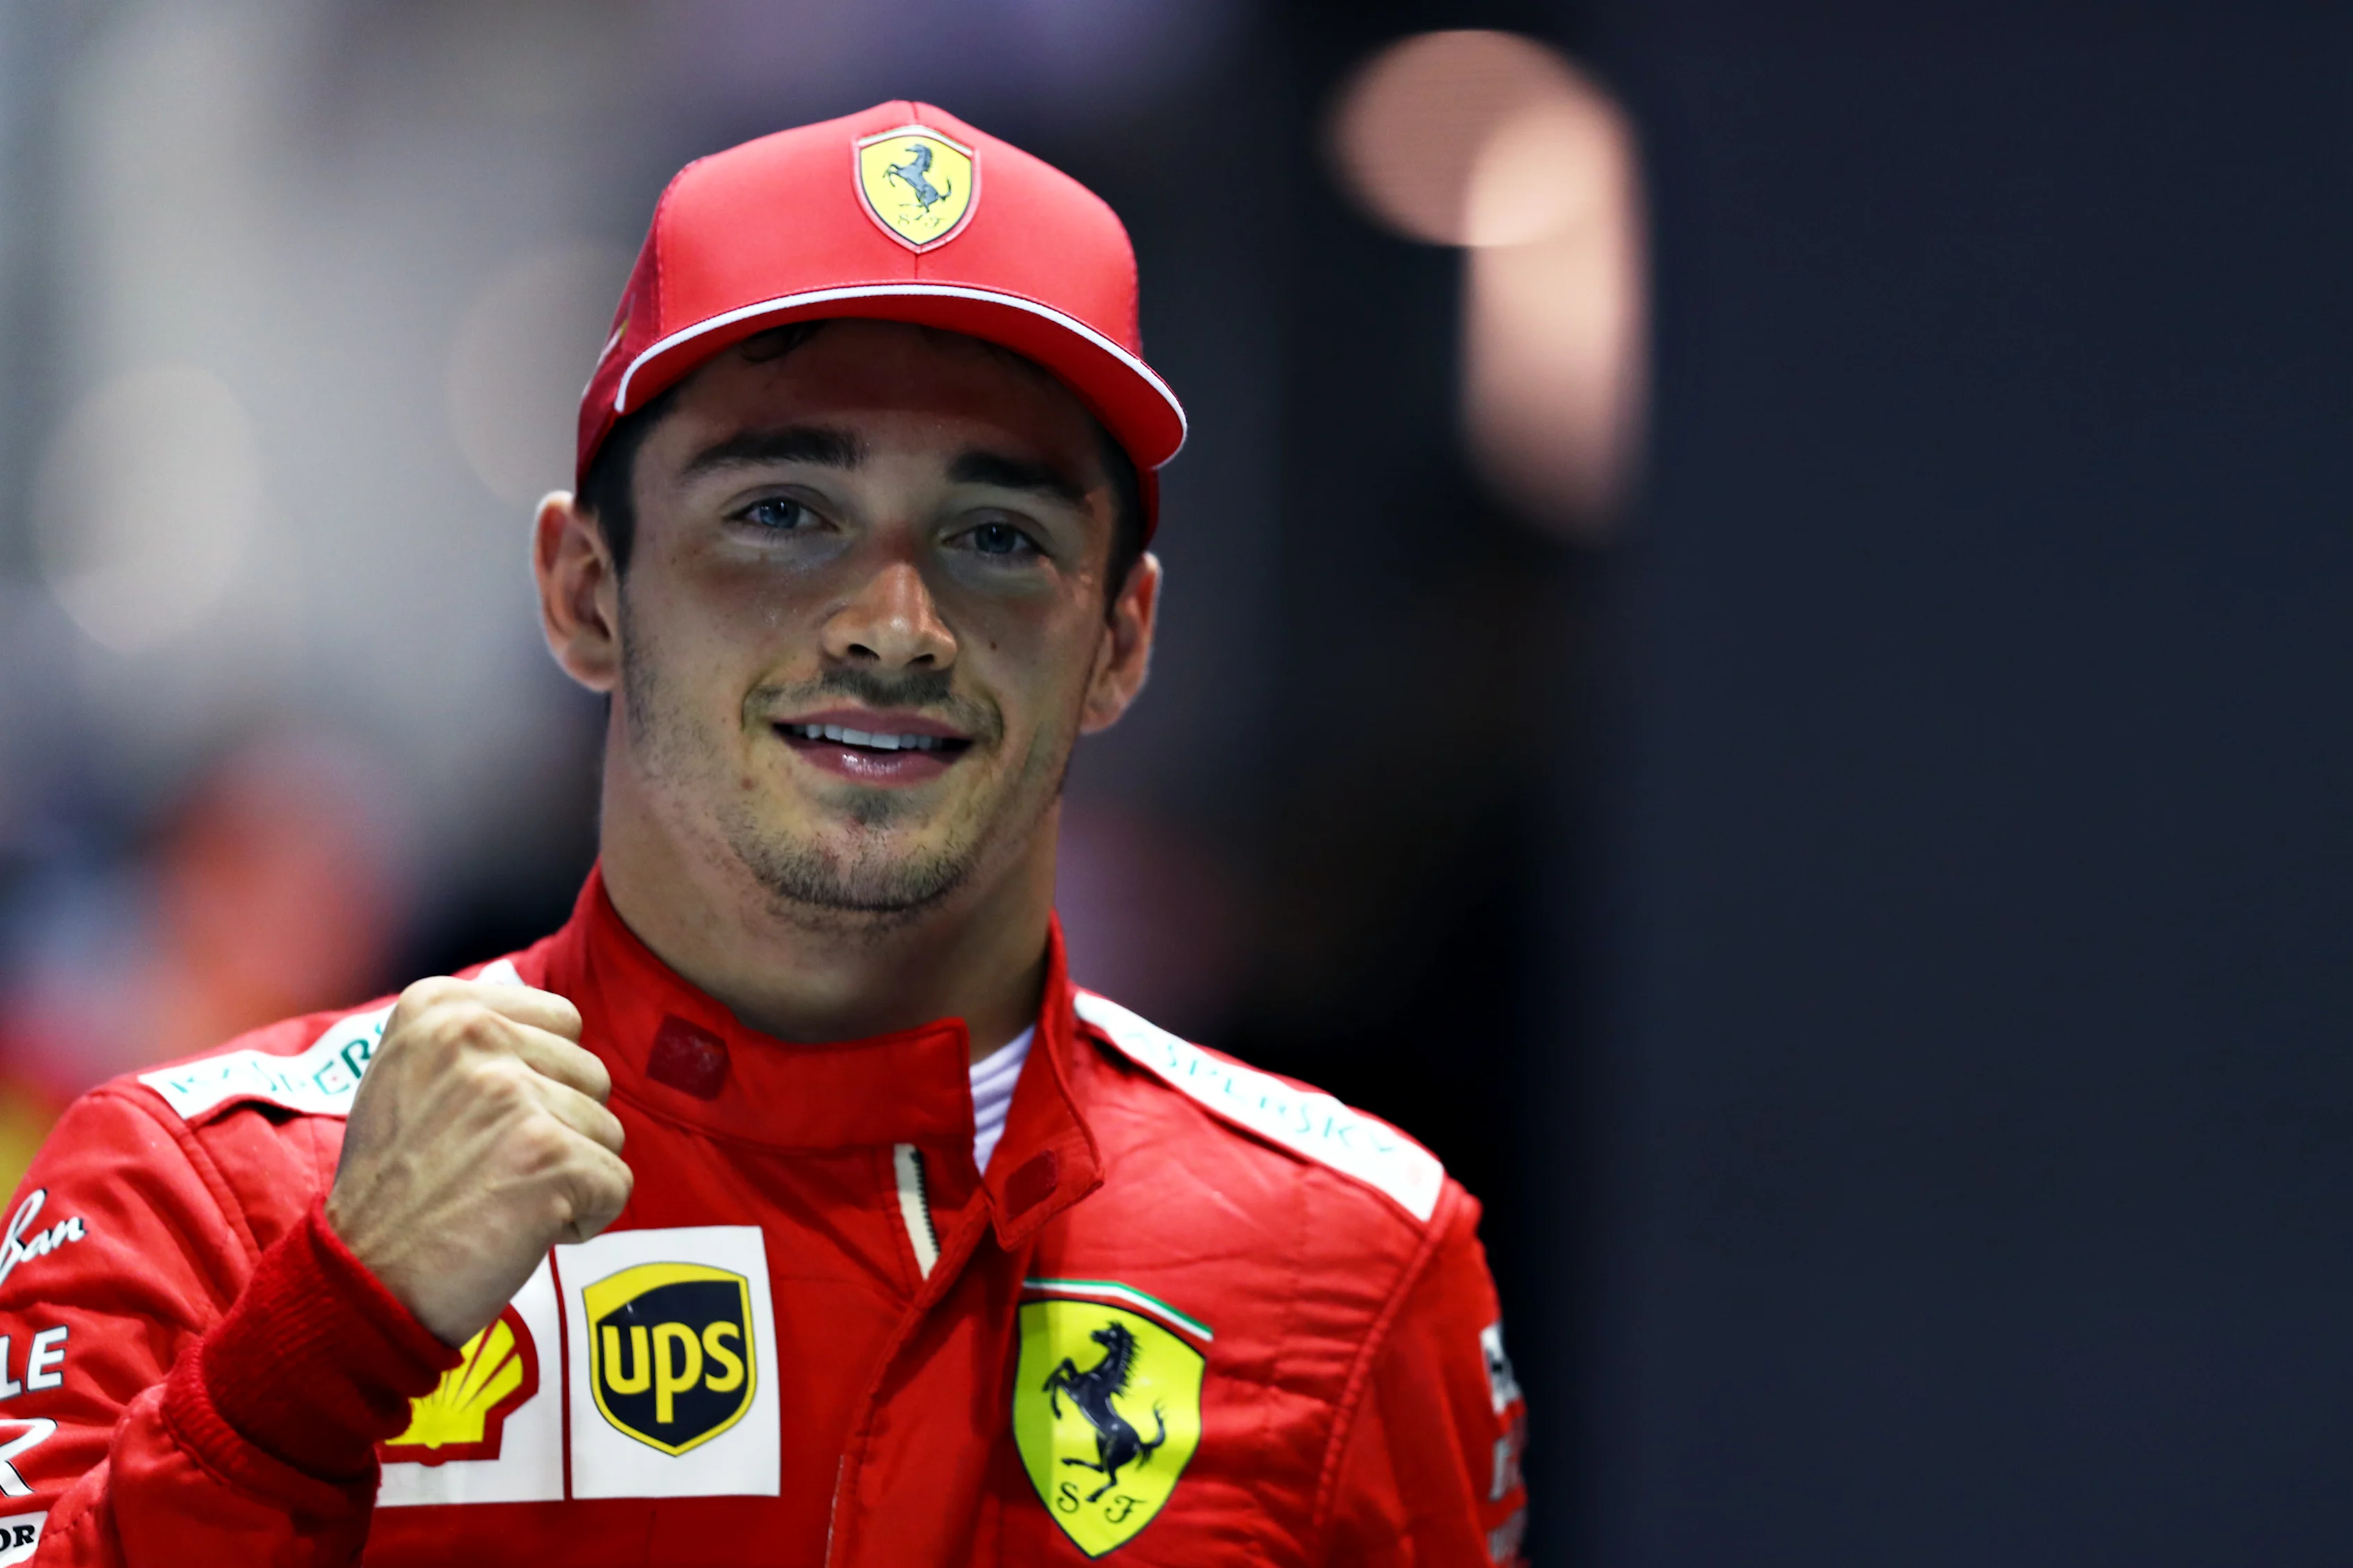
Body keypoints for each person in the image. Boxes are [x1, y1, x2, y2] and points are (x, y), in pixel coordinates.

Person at [0, 103, 1528, 1567]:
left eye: (998, 537)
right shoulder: (207, 1201)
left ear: (1121, 639)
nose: (893, 625)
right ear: (587, 592)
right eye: (783, 511)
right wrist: (331, 1335)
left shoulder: (1354, 1260)